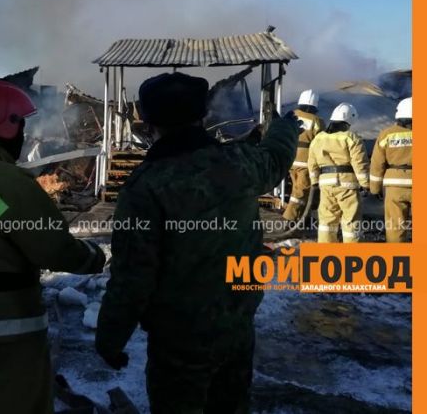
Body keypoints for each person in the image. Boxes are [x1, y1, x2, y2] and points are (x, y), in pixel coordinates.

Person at [95, 72, 299, 414]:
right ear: (203, 114)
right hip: (236, 326)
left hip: (179, 341)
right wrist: (285, 126)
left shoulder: (146, 187)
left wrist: (110, 339)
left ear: (147, 120)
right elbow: (278, 157)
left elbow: (132, 276)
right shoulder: (241, 162)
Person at [0, 80, 106, 414]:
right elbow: (54, 248)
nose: (24, 135)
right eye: (21, 126)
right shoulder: (8, 182)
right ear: (7, 127)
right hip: (8, 326)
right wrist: (95, 257)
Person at [307, 102, 370, 243]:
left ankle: (325, 255)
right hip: (347, 185)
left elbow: (312, 163)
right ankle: (351, 257)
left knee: (327, 222)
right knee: (350, 221)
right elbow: (359, 162)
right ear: (349, 120)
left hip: (326, 186)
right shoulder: (351, 138)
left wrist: (314, 181)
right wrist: (365, 184)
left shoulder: (319, 138)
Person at [370, 97, 412, 242]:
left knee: (395, 225)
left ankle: (396, 257)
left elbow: (377, 163)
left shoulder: (386, 134)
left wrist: (375, 189)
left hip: (395, 186)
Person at [282, 89, 325, 222]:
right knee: (301, 192)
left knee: (296, 188)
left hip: (289, 158)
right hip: (305, 162)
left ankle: (301, 218)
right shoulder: (317, 121)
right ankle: (289, 219)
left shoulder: (291, 114)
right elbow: (321, 143)